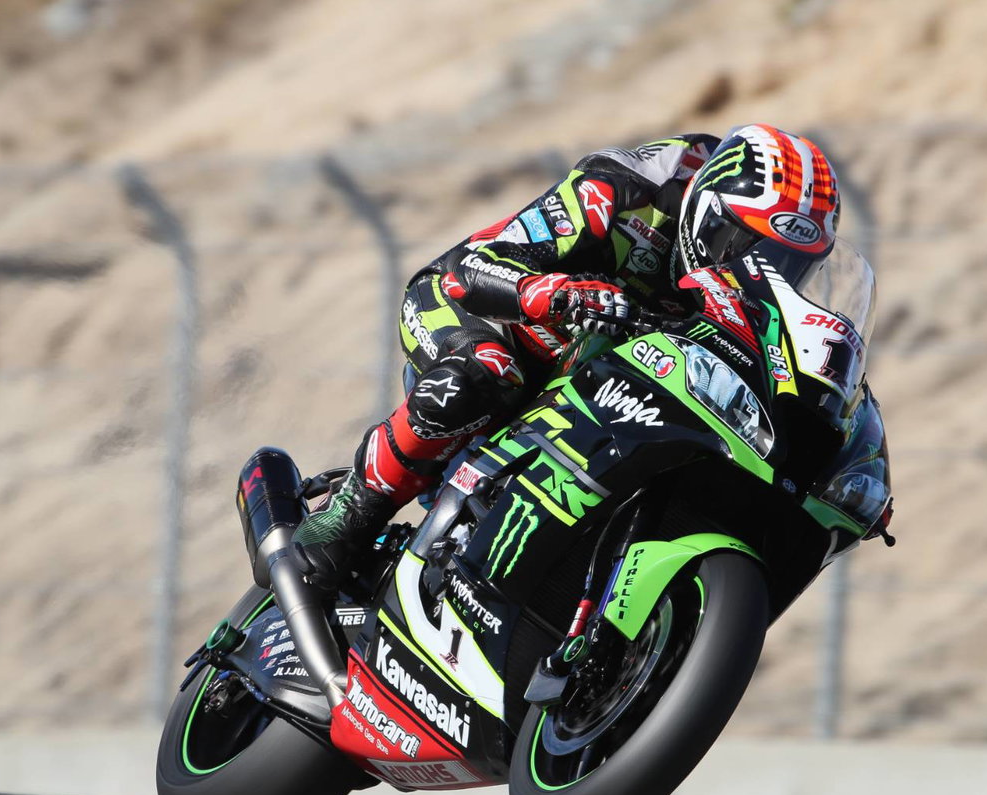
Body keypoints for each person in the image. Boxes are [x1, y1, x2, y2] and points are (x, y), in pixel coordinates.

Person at [291, 123, 844, 585]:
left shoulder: (753, 299)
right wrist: (560, 295)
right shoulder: (629, 188)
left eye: (792, 264)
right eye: (747, 247)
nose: (761, 271)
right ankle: (351, 510)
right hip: (483, 311)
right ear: (709, 213)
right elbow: (471, 270)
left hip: (596, 368)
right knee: (488, 372)